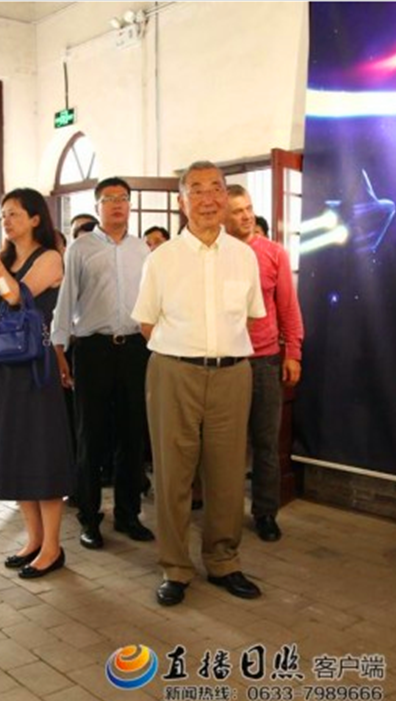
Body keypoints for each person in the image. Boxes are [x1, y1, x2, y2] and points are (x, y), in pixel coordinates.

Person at [131, 161, 266, 607]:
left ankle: (224, 561)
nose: (208, 199)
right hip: (174, 372)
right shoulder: (161, 258)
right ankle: (175, 567)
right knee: (173, 473)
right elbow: (147, 323)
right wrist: (185, 350)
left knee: (227, 473)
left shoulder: (244, 256)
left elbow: (248, 317)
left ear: (226, 196)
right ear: (182, 201)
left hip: (232, 374)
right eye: (197, 190)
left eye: (216, 189)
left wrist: (218, 350)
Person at [52, 177, 154, 550]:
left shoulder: (142, 250)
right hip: (93, 349)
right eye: (109, 199)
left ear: (130, 204)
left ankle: (128, 514)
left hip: (135, 349)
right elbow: (66, 301)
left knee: (132, 433)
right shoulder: (81, 248)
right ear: (97, 207)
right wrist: (59, 349)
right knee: (90, 435)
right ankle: (89, 517)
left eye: (123, 198)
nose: (117, 204)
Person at [0, 188, 75, 579]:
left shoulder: (50, 257)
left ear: (36, 218)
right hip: (3, 366)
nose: (7, 220)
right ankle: (33, 540)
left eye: (15, 213)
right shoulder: (1, 260)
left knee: (41, 453)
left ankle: (52, 547)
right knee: (15, 451)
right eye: (4, 214)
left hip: (36, 366)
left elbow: (16, 296)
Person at [224, 185, 304, 541]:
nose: (246, 216)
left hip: (265, 359)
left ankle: (266, 512)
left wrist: (293, 352)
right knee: (225, 445)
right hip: (225, 360)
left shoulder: (273, 253)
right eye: (237, 210)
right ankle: (224, 512)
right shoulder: (216, 254)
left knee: (266, 442)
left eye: (249, 208)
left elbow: (288, 306)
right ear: (223, 216)